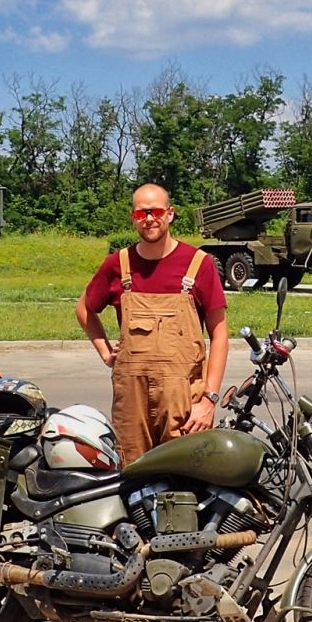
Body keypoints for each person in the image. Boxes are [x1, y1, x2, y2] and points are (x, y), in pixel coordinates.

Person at [76, 183, 228, 466]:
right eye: (141, 213)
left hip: (184, 402)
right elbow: (84, 309)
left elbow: (220, 335)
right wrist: (105, 352)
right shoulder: (118, 264)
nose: (149, 219)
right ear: (133, 217)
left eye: (156, 211)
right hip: (132, 406)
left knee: (185, 479)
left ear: (170, 214)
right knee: (133, 477)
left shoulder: (199, 264)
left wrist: (209, 401)